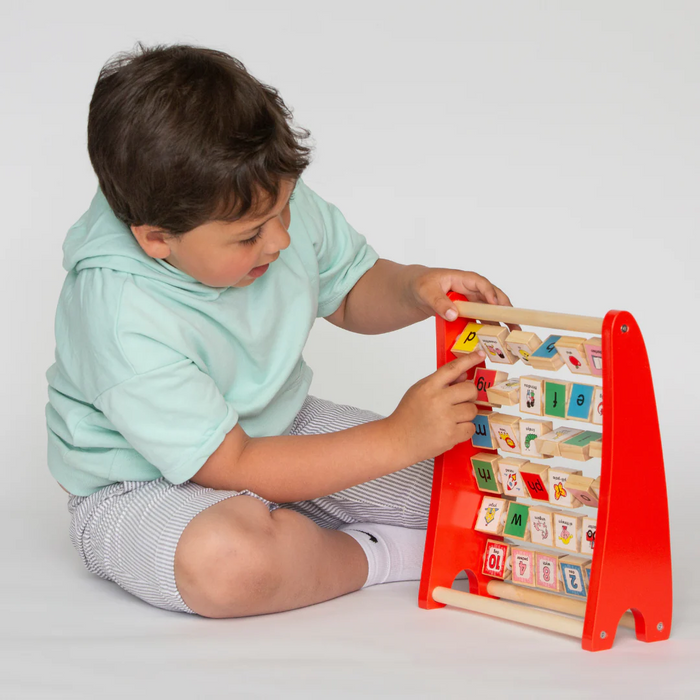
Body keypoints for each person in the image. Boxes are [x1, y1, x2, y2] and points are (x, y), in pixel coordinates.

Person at [45, 42, 513, 619]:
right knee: (228, 563)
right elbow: (233, 464)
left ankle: (300, 524)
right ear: (156, 240)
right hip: (138, 486)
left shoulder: (256, 194)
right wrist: (397, 437)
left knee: (472, 485)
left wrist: (415, 288)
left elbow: (350, 289)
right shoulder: (118, 313)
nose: (280, 242)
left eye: (284, 212)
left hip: (278, 424)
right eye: (248, 237)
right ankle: (376, 554)